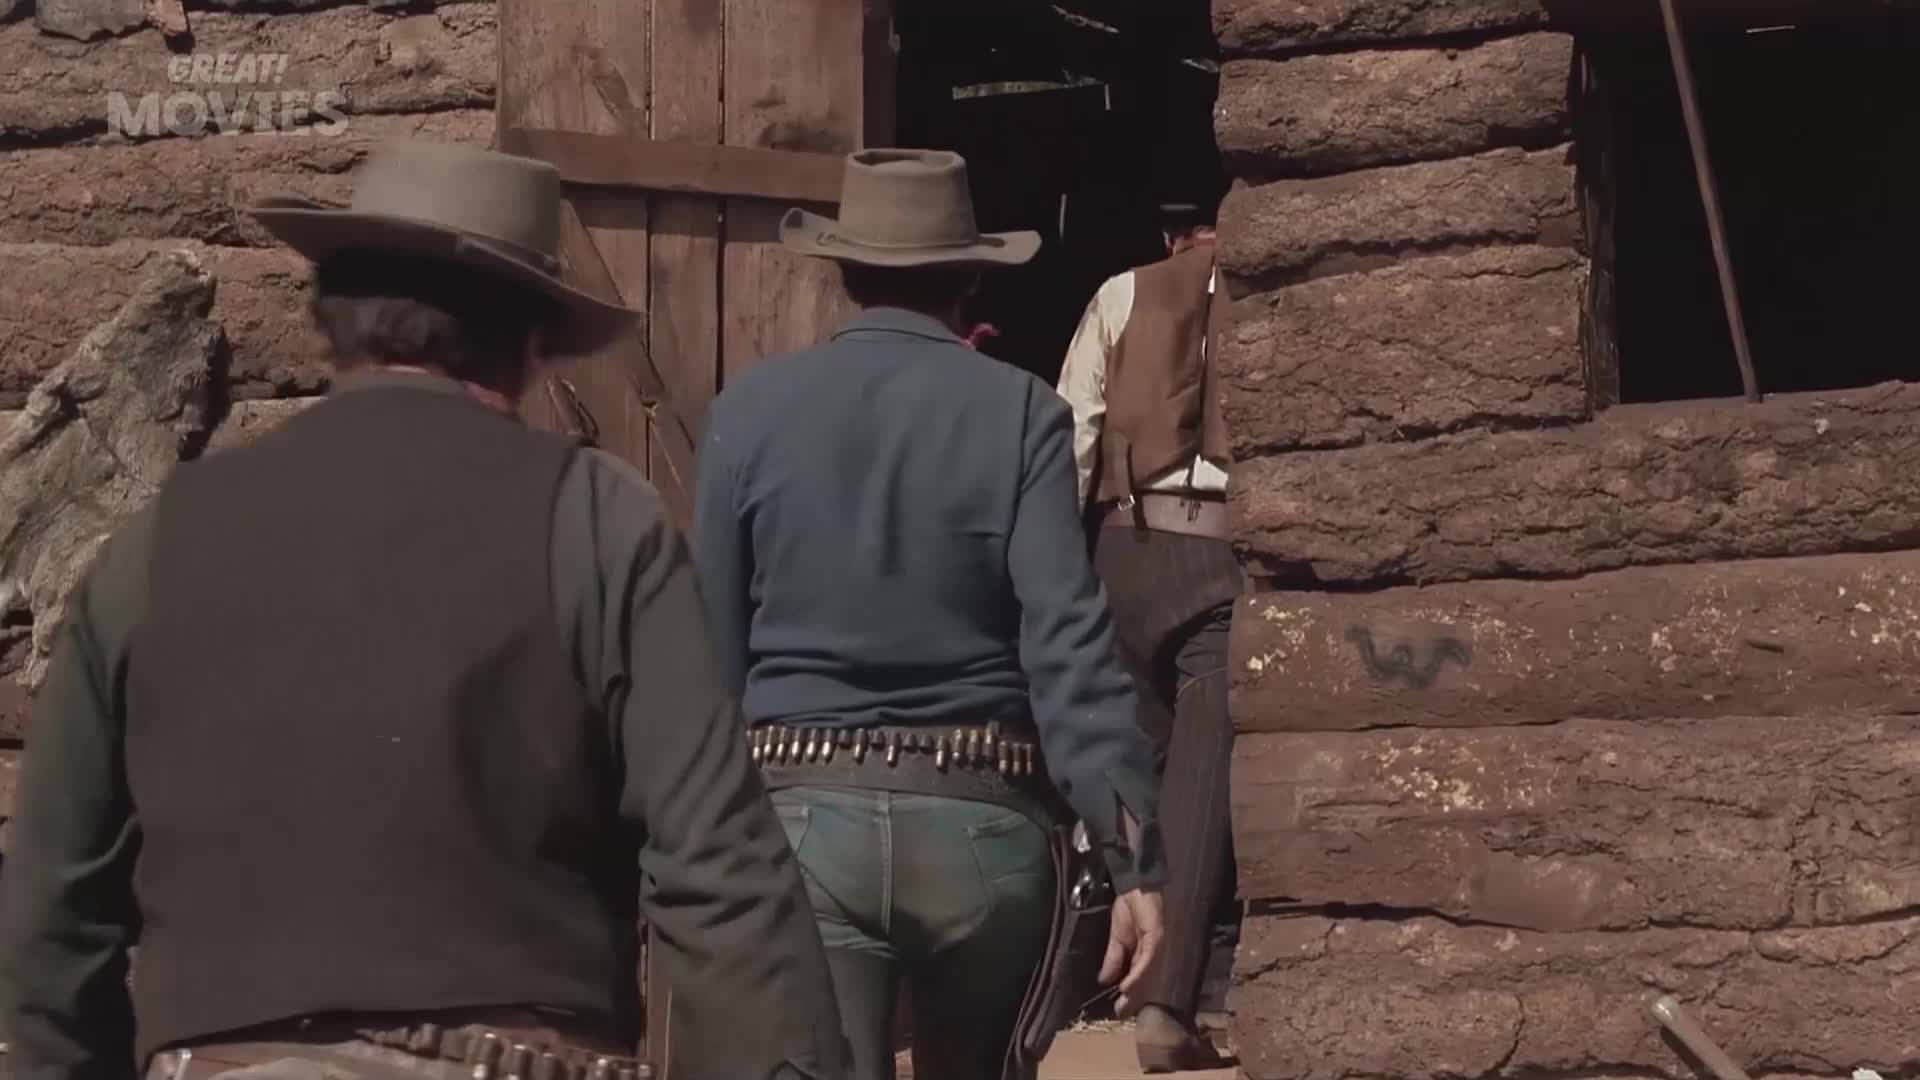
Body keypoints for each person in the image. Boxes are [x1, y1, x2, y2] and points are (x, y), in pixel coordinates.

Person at [0, 141, 847, 1080]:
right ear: (530, 346)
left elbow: (55, 893)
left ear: (334, 319)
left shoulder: (159, 539)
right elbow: (720, 874)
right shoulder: (596, 520)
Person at [690, 149, 1166, 1080]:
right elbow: (1067, 645)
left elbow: (709, 654)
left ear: (840, 271)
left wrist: (689, 857)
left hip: (798, 826)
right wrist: (1134, 853)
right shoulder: (1021, 412)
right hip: (982, 834)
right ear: (974, 274)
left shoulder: (745, 412)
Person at [1055, 199, 1242, 1073]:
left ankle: (1093, 974)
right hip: (1224, 552)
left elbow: (1074, 440)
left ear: (1172, 235)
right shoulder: (1273, 294)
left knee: (1135, 763)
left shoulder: (1121, 293)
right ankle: (1167, 1004)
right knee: (1204, 774)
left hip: (1125, 545)